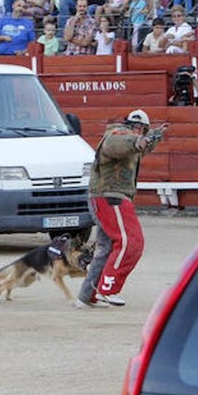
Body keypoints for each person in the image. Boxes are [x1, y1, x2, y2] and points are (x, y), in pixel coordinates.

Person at [76, 109, 167, 309]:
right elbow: (119, 144)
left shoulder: (132, 139)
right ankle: (108, 289)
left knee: (107, 248)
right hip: (111, 197)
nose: (140, 133)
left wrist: (154, 137)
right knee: (130, 242)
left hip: (105, 196)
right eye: (139, 129)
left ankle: (87, 296)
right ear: (132, 126)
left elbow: (140, 146)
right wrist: (139, 140)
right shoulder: (118, 134)